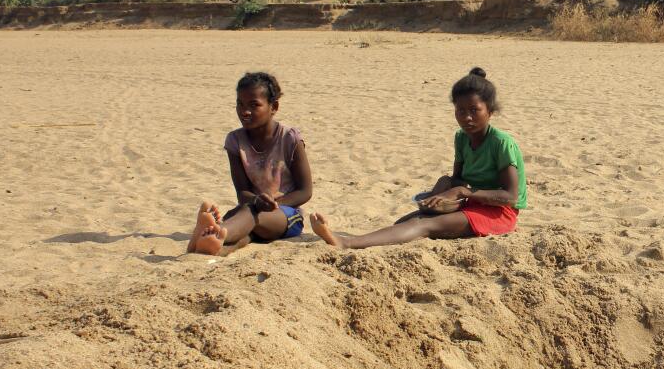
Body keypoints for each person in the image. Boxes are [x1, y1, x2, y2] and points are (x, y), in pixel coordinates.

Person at [311, 67, 526, 249]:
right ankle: (355, 240)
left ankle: (346, 243)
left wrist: (462, 191)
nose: (467, 117)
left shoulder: (501, 143)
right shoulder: (461, 138)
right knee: (405, 221)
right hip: (473, 203)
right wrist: (444, 188)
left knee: (424, 226)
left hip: (499, 213)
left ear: (490, 111)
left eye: (474, 110)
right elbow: (458, 180)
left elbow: (510, 196)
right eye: (460, 110)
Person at [186, 72, 313, 255]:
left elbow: (305, 191)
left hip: (286, 216)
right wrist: (256, 201)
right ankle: (205, 247)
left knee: (248, 217)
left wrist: (274, 204)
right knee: (243, 233)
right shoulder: (235, 141)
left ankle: (219, 232)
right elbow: (242, 192)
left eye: (254, 105)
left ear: (273, 107)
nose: (245, 111)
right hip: (250, 209)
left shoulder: (290, 138)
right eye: (240, 104)